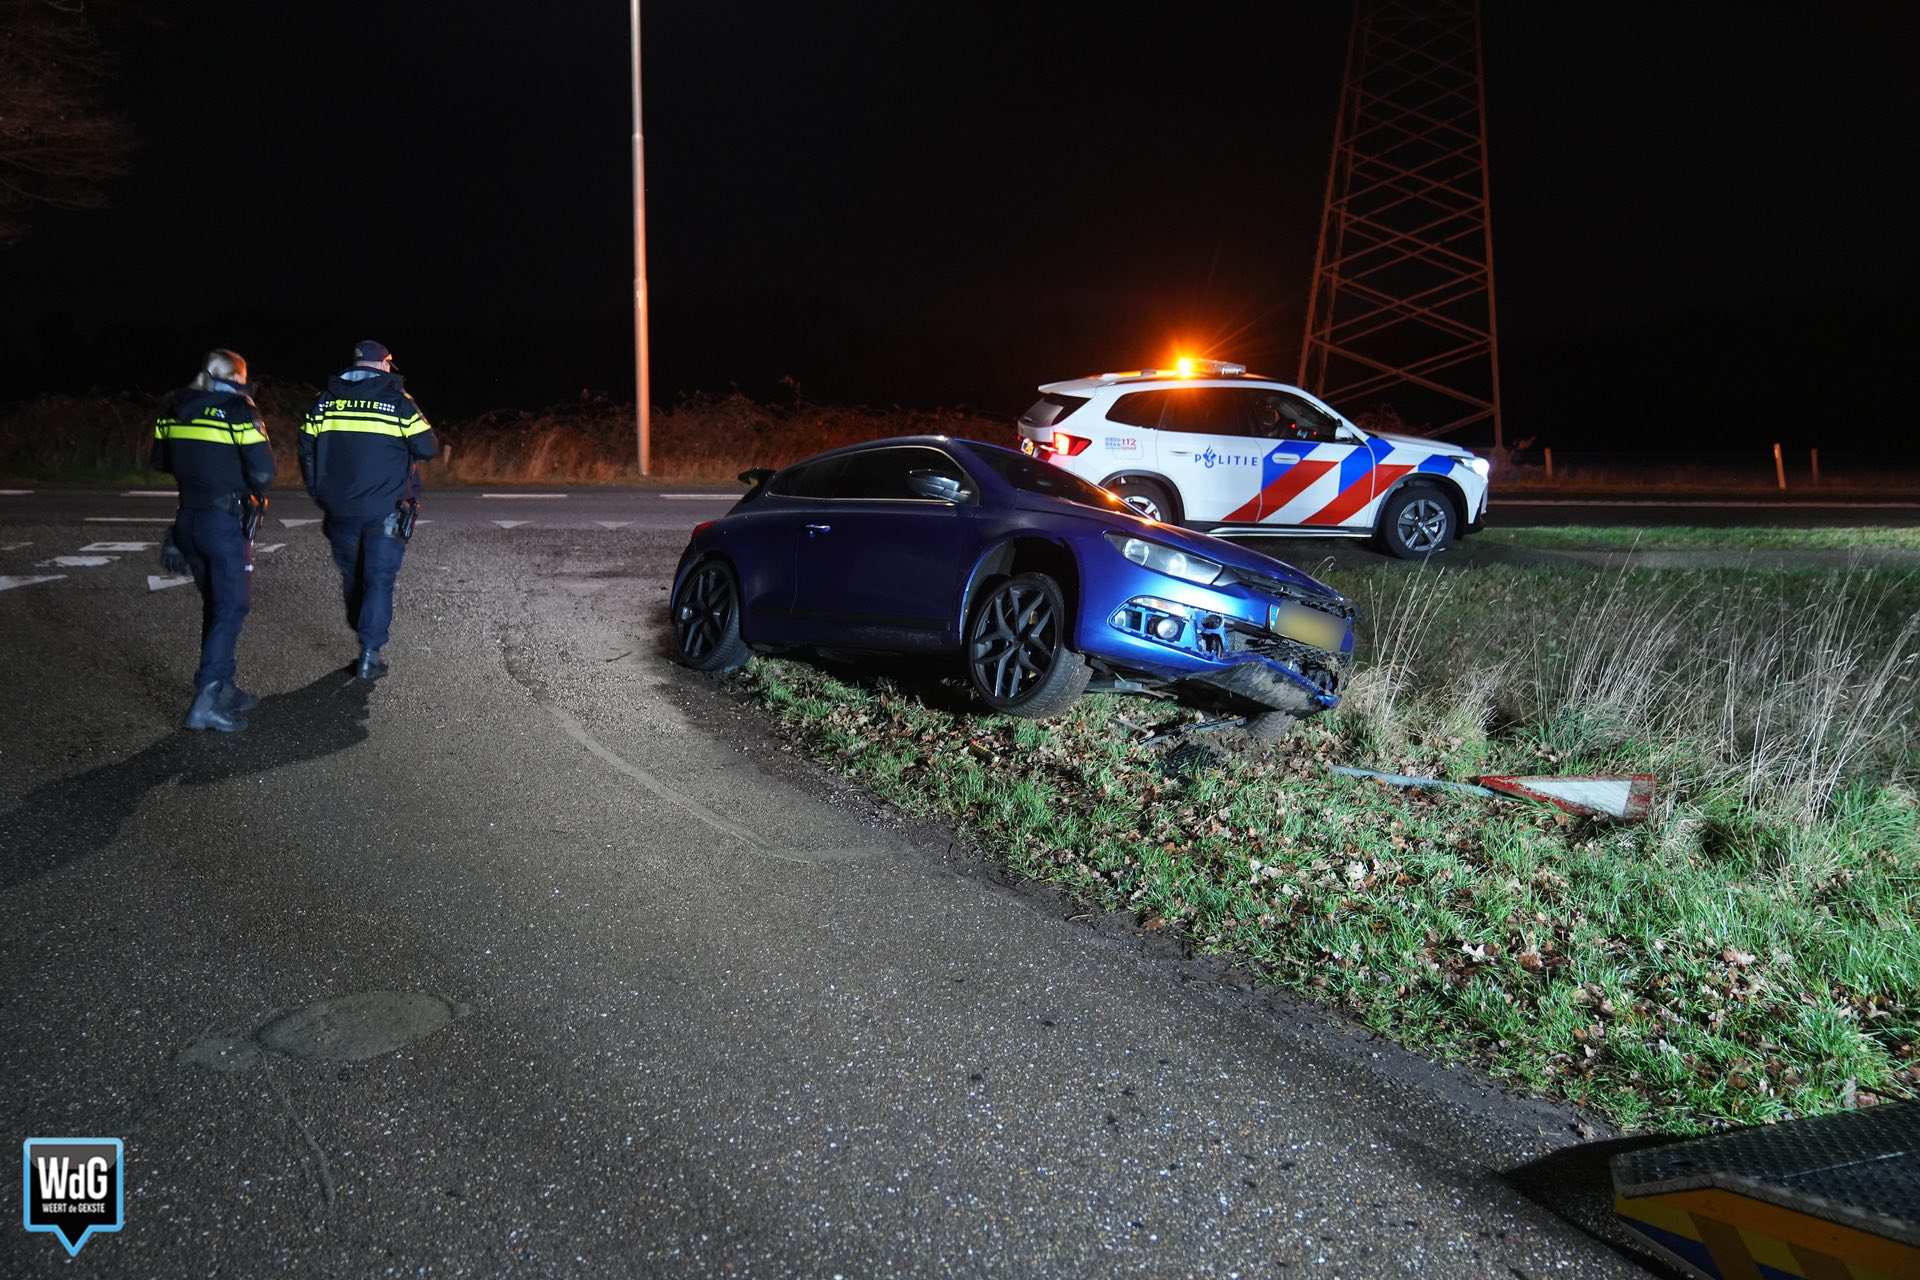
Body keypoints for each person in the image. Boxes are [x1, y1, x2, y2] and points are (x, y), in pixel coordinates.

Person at [151, 348, 275, 732]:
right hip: (224, 523)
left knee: (217, 606)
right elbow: (264, 471)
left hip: (187, 520)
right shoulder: (239, 410)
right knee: (232, 607)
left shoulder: (174, 408)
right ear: (236, 377)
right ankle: (205, 701)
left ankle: (224, 687)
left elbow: (161, 462)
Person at [298, 340, 438, 679]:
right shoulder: (398, 402)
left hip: (339, 508)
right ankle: (369, 653)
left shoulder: (325, 400)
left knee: (353, 575)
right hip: (386, 508)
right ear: (383, 364)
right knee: (378, 580)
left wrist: (318, 491)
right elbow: (428, 447)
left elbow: (306, 448)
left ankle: (361, 627)